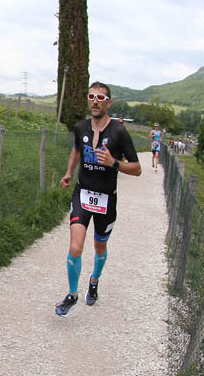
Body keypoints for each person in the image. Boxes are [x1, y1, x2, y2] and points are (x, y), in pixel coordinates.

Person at [55, 82, 141, 316]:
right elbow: (76, 149)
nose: (95, 101)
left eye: (100, 97)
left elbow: (137, 169)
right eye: (91, 96)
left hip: (106, 200)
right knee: (75, 247)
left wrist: (113, 163)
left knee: (99, 245)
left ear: (108, 103)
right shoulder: (81, 127)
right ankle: (72, 294)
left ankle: (94, 281)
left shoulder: (119, 132)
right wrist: (68, 172)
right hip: (82, 193)